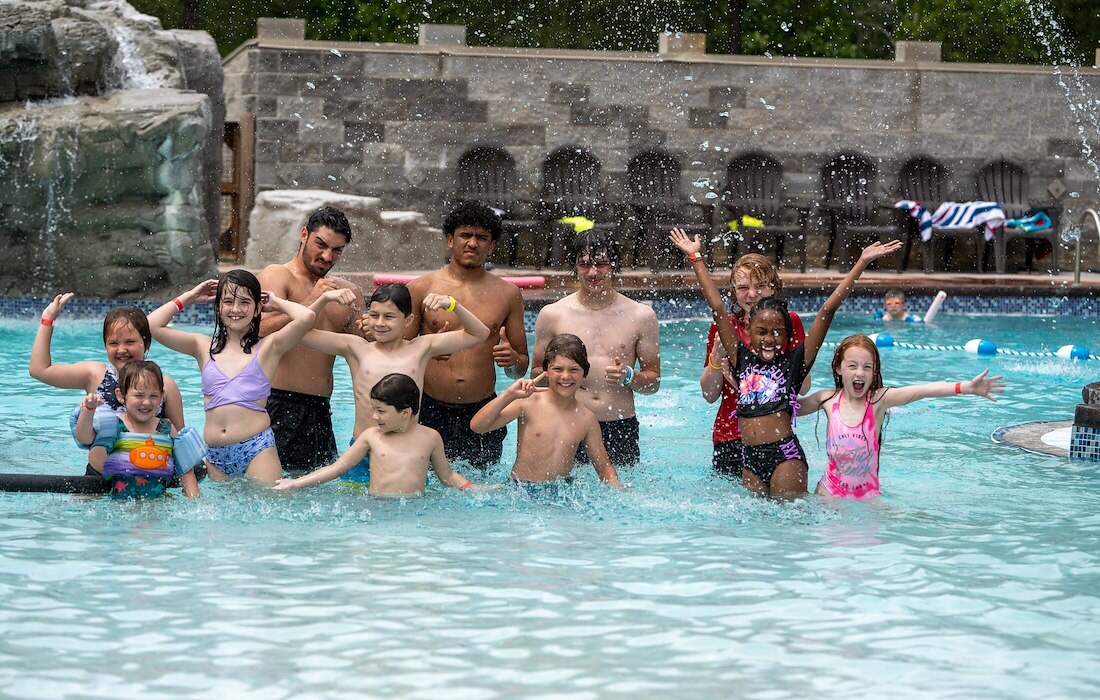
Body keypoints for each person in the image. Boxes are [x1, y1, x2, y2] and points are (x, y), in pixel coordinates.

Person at [671, 227, 901, 498]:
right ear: (748, 333)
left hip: (785, 455)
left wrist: (861, 263)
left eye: (777, 332)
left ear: (788, 333)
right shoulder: (740, 358)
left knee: (789, 521)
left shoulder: (793, 363)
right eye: (761, 332)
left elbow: (828, 309)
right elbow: (717, 307)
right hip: (748, 457)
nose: (769, 339)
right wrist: (695, 257)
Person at [149, 270, 354, 483]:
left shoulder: (268, 348)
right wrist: (190, 296)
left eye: (245, 302)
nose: (235, 309)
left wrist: (275, 302)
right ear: (218, 307)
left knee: (264, 511)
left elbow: (306, 317)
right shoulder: (202, 347)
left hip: (256, 449)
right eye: (227, 301)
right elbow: (152, 325)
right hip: (215, 455)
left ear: (257, 309)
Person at [302, 283, 490, 479]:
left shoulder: (422, 348)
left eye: (389, 316)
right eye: (374, 315)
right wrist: (323, 300)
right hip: (362, 453)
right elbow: (300, 332)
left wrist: (452, 305)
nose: (380, 323)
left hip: (407, 454)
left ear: (408, 320)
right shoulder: (355, 348)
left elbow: (479, 333)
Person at [798, 334, 1006, 499]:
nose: (859, 373)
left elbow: (924, 390)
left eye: (867, 367)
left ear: (874, 371)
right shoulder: (827, 399)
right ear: (839, 368)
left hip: (867, 496)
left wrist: (966, 387)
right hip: (828, 494)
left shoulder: (879, 401)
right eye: (852, 366)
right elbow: (787, 410)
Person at [405, 201, 529, 469]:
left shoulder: (507, 294)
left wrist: (512, 360)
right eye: (465, 235)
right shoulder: (420, 288)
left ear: (492, 245)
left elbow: (521, 368)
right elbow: (395, 353)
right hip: (429, 409)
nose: (473, 243)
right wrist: (426, 349)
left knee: (481, 493)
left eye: (482, 238)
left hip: (483, 410)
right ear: (450, 240)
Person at [531, 231, 660, 468]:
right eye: (584, 265)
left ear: (614, 266)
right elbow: (536, 376)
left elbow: (653, 384)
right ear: (575, 267)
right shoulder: (553, 315)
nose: (593, 273)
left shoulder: (641, 316)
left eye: (601, 264)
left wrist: (630, 376)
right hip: (568, 423)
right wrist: (561, 378)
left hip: (619, 425)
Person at [257, 206, 367, 473]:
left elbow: (367, 352)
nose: (327, 256)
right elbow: (254, 330)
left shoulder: (348, 293)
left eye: (337, 250)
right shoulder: (278, 276)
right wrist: (310, 303)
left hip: (320, 410)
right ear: (304, 234)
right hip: (278, 405)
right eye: (321, 244)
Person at [30, 295, 187, 471]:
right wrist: (48, 319)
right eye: (113, 343)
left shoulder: (165, 385)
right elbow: (39, 370)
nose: (121, 350)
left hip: (148, 476)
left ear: (146, 343)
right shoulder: (95, 375)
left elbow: (178, 442)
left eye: (130, 342)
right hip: (100, 473)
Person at [274, 373, 486, 497]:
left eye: (381, 411)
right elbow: (336, 468)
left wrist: (474, 489)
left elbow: (447, 477)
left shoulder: (430, 438)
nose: (374, 416)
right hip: (375, 504)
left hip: (414, 507)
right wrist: (294, 483)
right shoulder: (371, 437)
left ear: (405, 413)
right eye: (373, 409)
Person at [698, 253, 806, 480]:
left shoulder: (790, 323)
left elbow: (803, 387)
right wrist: (716, 359)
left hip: (774, 435)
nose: (752, 294)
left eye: (761, 286)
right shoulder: (723, 328)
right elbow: (709, 395)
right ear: (734, 292)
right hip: (729, 437)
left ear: (774, 288)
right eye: (743, 287)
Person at [470, 333, 624, 488]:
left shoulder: (586, 418)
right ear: (546, 371)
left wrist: (620, 491)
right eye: (557, 368)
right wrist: (509, 394)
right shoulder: (528, 402)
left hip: (562, 489)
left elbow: (603, 466)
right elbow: (478, 426)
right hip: (521, 488)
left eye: (574, 370)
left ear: (585, 373)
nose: (565, 376)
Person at [75, 361, 199, 499]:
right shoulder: (114, 426)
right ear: (121, 395)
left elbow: (186, 471)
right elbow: (84, 438)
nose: (146, 402)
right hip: (117, 504)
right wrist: (89, 410)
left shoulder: (166, 429)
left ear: (162, 396)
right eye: (139, 395)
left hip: (156, 503)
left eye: (153, 396)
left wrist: (195, 502)